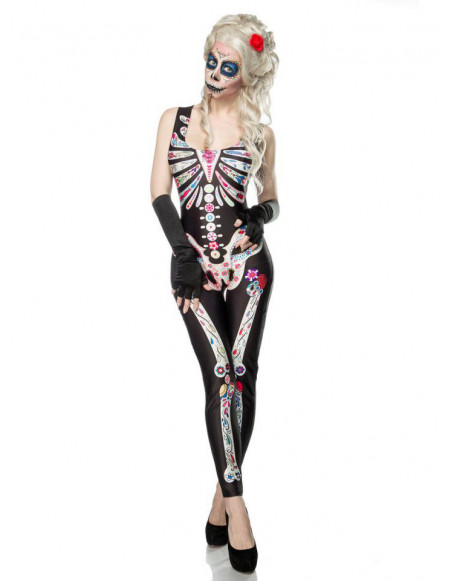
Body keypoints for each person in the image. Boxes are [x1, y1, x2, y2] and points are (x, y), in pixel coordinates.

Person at [150, 13, 279, 573]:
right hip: (194, 269)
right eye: (212, 60)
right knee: (218, 375)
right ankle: (238, 505)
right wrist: (182, 255)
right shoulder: (174, 120)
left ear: (247, 75)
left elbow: (271, 199)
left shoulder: (260, 133)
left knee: (241, 376)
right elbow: (159, 193)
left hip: (249, 269)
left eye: (229, 67)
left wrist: (259, 217)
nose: (215, 73)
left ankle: (220, 498)